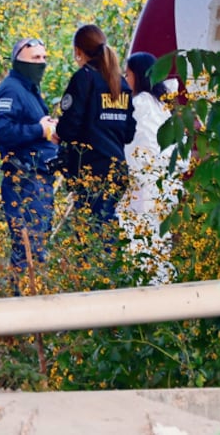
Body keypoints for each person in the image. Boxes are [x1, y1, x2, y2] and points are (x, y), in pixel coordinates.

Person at [0, 37, 59, 287]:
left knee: (36, 250)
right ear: (18, 61)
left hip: (38, 180)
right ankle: (22, 302)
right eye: (35, 58)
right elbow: (1, 131)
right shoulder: (12, 89)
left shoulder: (29, 89)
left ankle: (31, 298)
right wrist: (39, 130)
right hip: (24, 181)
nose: (41, 63)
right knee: (28, 250)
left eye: (44, 58)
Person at [55, 25, 136, 236]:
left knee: (92, 234)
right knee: (105, 226)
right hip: (117, 170)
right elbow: (128, 133)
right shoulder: (120, 83)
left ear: (78, 51)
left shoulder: (84, 78)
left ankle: (106, 258)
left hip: (91, 171)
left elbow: (69, 128)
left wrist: (57, 131)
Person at [121, 52, 183, 284]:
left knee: (140, 241)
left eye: (127, 75)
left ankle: (145, 290)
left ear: (138, 76)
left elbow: (136, 146)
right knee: (160, 242)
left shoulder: (139, 104)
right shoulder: (164, 105)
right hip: (168, 184)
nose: (125, 80)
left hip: (145, 184)